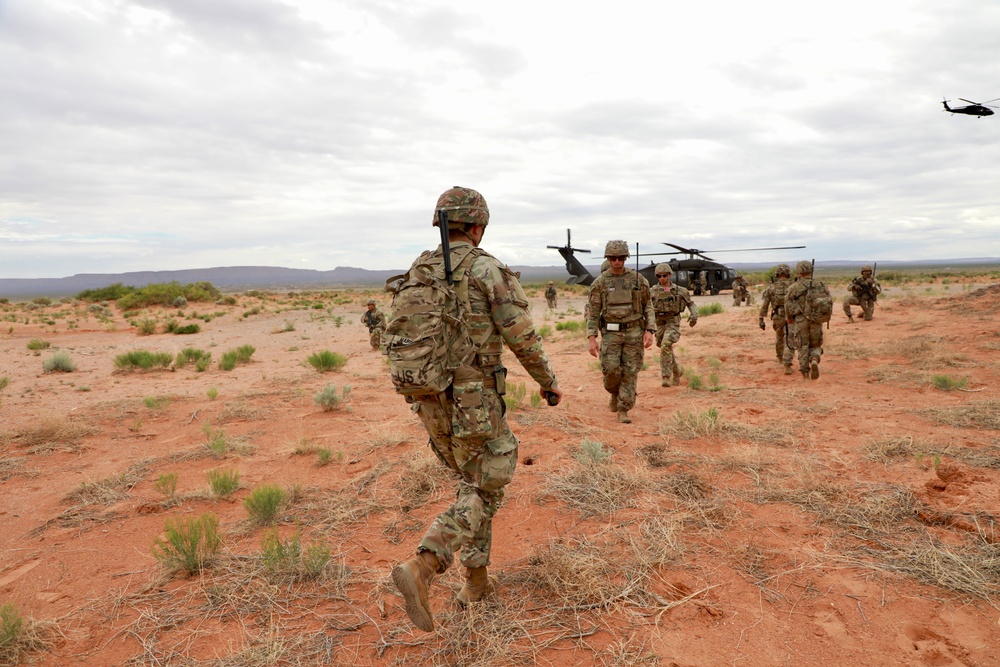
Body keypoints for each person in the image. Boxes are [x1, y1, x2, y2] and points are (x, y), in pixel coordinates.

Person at [390, 186, 562, 633]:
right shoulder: (487, 268)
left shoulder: (418, 270)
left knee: (472, 485)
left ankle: (477, 581)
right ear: (478, 226)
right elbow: (521, 336)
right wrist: (548, 383)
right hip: (474, 401)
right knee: (487, 487)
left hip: (429, 401)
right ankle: (425, 564)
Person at [586, 240, 655, 423]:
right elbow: (593, 312)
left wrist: (650, 330)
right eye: (613, 258)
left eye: (620, 258)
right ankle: (614, 393)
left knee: (630, 372)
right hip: (610, 333)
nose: (617, 261)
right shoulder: (599, 283)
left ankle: (624, 409)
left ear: (625, 258)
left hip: (634, 331)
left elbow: (648, 305)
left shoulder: (638, 280)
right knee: (610, 370)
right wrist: (592, 338)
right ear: (608, 259)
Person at [651, 264, 697, 387]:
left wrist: (694, 315)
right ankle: (677, 371)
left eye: (664, 276)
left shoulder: (679, 290)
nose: (662, 278)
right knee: (664, 348)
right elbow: (645, 307)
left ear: (670, 275)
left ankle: (666, 377)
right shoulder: (653, 291)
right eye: (659, 276)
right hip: (659, 323)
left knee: (666, 344)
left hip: (673, 322)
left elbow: (691, 304)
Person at [785, 260, 824, 379]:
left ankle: (805, 374)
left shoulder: (794, 287)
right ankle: (814, 359)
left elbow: (787, 304)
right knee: (816, 344)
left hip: (801, 320)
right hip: (816, 320)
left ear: (799, 272)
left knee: (802, 345)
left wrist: (790, 319)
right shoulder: (820, 285)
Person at [758, 264, 794, 374]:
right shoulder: (794, 286)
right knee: (790, 339)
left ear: (777, 274)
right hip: (792, 316)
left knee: (779, 337)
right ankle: (787, 364)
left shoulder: (771, 288)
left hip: (778, 317)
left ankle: (780, 357)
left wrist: (761, 318)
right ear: (788, 273)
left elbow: (765, 304)